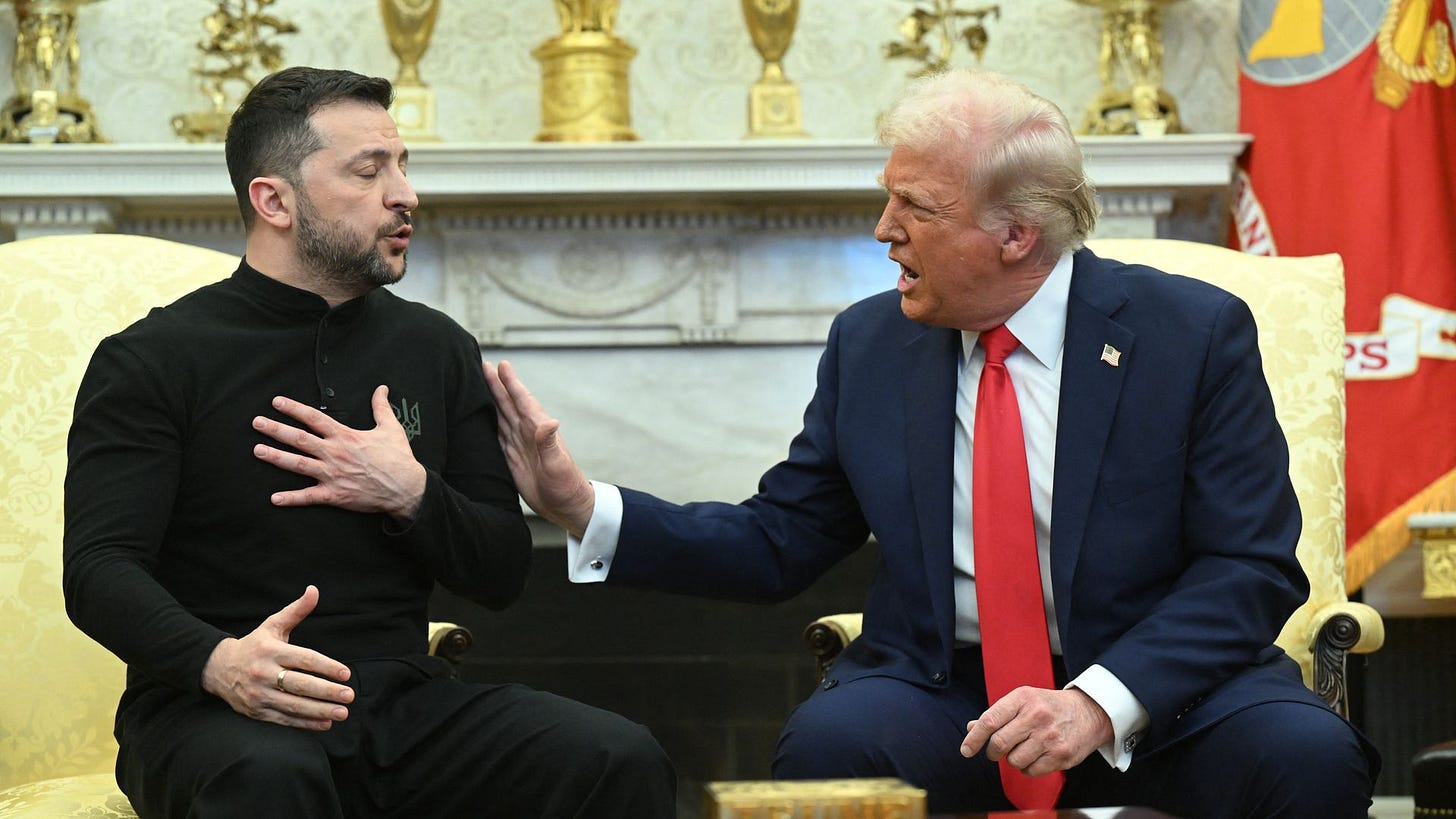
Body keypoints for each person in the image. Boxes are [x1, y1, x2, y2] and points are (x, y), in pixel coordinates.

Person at [484, 67, 1378, 817]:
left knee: (1306, 757)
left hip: (1168, 693)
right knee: (831, 746)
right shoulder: (873, 345)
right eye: (888, 197)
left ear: (1016, 235)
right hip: (951, 690)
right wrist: (580, 505)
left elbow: (1249, 567)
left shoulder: (1192, 334)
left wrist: (1098, 702)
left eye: (914, 205)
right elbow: (777, 538)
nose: (884, 230)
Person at [63, 66, 675, 818]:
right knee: (269, 776)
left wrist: (411, 493)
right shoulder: (153, 357)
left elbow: (502, 572)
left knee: (616, 756)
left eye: (404, 165)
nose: (406, 194)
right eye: (370, 170)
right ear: (274, 199)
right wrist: (219, 662)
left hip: (398, 705)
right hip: (213, 710)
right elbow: (98, 570)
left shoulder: (437, 348)